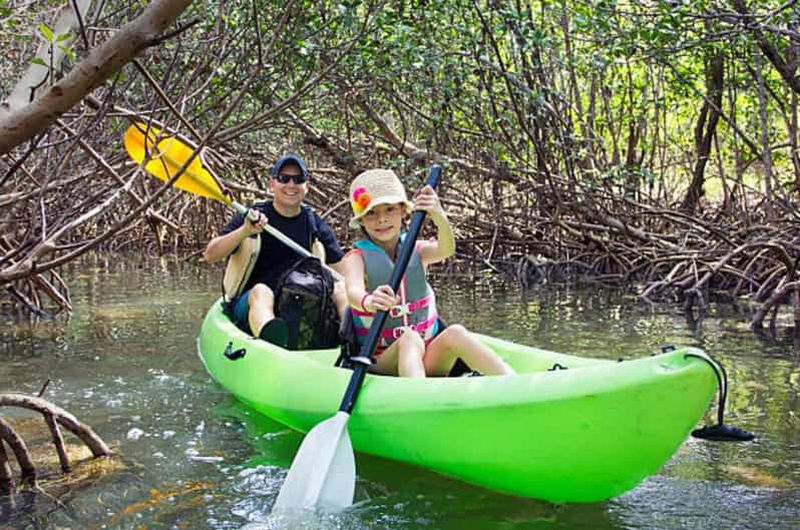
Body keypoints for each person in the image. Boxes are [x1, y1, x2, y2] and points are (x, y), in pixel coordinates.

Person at [341, 168, 516, 378]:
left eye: (389, 210)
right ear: (361, 220)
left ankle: (514, 383)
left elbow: (446, 249)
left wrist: (439, 216)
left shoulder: (417, 250)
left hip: (427, 354)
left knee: (456, 333)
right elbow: (353, 292)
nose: (381, 219)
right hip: (381, 360)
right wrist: (370, 301)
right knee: (409, 339)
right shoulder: (356, 257)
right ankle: (418, 401)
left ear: (403, 211)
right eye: (371, 213)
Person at [204, 154, 346, 347]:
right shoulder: (252, 216)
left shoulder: (313, 223)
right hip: (253, 302)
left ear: (307, 186)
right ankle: (271, 343)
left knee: (341, 290)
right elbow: (210, 254)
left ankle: (353, 339)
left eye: (298, 179)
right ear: (272, 184)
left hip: (299, 299)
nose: (291, 184)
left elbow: (343, 270)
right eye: (284, 178)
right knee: (262, 292)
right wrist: (244, 231)